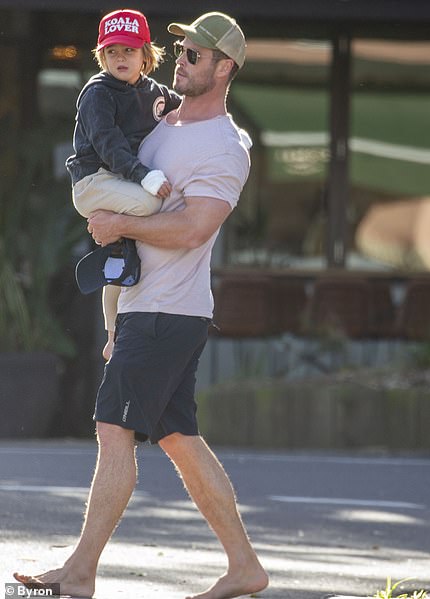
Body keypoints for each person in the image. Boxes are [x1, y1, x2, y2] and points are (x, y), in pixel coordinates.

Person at [14, 11, 268, 599]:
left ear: (225, 68)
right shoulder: (160, 121)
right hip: (142, 306)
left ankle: (80, 572)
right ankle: (244, 567)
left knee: (112, 430)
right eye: (180, 51)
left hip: (167, 313)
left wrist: (116, 221)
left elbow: (194, 228)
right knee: (179, 438)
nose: (182, 60)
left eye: (196, 55)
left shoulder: (223, 147)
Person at [67, 8, 181, 360]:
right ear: (101, 56)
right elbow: (107, 142)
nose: (120, 57)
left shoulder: (154, 92)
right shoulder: (96, 93)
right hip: (94, 182)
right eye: (112, 51)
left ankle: (113, 338)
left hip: (122, 182)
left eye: (129, 50)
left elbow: (187, 112)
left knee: (123, 258)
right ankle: (120, 242)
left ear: (146, 55)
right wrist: (143, 175)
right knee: (151, 206)